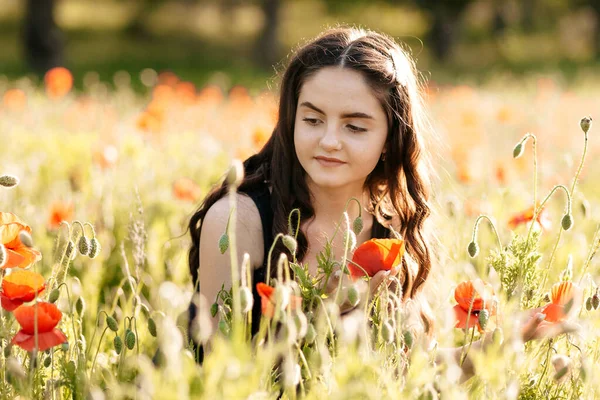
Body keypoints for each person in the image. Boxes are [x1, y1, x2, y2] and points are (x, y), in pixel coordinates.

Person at [186, 26, 576, 375]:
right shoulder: (239, 221)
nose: (329, 140)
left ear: (392, 138)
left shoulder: (390, 230)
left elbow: (412, 370)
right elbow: (222, 373)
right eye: (312, 119)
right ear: (290, 120)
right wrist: (332, 309)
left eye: (354, 126)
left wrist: (503, 340)